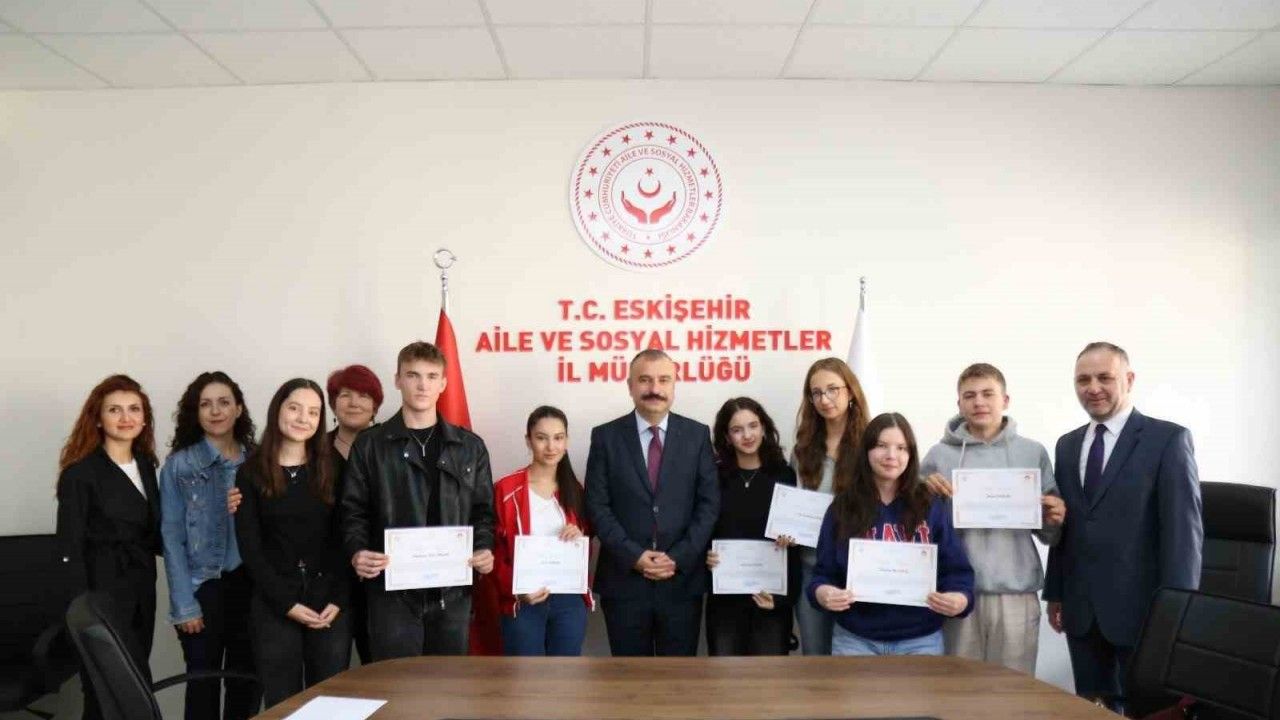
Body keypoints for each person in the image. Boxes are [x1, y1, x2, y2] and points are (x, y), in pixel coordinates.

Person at [1045, 342, 1203, 712]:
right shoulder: (1067, 445)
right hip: (1081, 609)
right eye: (1083, 380)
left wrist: (1176, 612)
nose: (1093, 388)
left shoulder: (1167, 440)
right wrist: (1055, 592)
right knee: (1091, 707)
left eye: (1104, 377)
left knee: (1150, 711)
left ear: (1129, 380)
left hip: (1144, 611)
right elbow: (1066, 527)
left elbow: (1184, 536)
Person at [340, 341, 496, 658]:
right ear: (398, 380)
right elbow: (352, 510)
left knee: (448, 682)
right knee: (397, 682)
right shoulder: (370, 445)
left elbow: (483, 512)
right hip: (391, 592)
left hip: (452, 591)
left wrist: (483, 547)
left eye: (431, 376)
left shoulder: (470, 447)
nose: (422, 385)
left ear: (443, 383)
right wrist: (358, 550)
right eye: (413, 375)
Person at [920, 363, 1065, 675]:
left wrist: (1054, 517)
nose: (979, 402)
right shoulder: (938, 456)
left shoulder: (1032, 452)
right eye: (969, 396)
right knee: (957, 686)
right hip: (956, 593)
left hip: (1015, 593)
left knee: (1012, 689)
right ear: (959, 404)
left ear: (1005, 400)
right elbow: (915, 529)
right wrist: (922, 493)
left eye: (988, 394)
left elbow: (1049, 535)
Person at [584, 349, 719, 657]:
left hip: (681, 581)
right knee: (630, 678)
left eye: (663, 380)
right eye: (645, 380)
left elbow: (708, 504)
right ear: (630, 385)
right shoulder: (605, 437)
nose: (654, 389)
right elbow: (597, 505)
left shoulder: (697, 435)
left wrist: (678, 557)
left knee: (678, 677)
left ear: (674, 384)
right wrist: (633, 555)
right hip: (624, 582)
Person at [809, 413, 974, 656]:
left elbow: (956, 571)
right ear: (866, 451)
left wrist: (960, 599)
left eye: (901, 448)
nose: (891, 455)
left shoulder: (930, 505)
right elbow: (822, 574)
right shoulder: (842, 507)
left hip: (921, 639)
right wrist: (823, 593)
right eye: (881, 446)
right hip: (855, 639)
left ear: (911, 454)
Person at [235, 379, 350, 707]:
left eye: (313, 412)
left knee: (329, 703)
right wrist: (286, 603)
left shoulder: (334, 466)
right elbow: (251, 548)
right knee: (283, 703)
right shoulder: (251, 472)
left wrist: (338, 598)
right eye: (295, 408)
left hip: (328, 604)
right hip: (275, 604)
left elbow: (346, 538)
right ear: (278, 410)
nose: (303, 418)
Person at [56, 374, 162, 720]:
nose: (125, 417)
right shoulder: (80, 474)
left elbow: (156, 533)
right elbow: (69, 548)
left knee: (134, 687)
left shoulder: (146, 466)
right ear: (98, 419)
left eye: (134, 409)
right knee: (104, 690)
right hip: (101, 595)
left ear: (144, 418)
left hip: (142, 588)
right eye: (114, 410)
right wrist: (81, 616)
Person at [160, 371, 259, 719]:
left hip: (251, 586)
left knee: (246, 682)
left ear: (238, 408)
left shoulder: (258, 461)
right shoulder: (179, 466)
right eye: (206, 404)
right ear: (196, 412)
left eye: (224, 402)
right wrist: (184, 605)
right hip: (203, 587)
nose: (215, 411)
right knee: (203, 684)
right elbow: (171, 537)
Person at [492, 406, 593, 656]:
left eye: (558, 438)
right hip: (524, 600)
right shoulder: (506, 489)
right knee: (525, 675)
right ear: (528, 440)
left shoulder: (577, 491)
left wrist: (578, 537)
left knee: (566, 674)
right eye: (541, 438)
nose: (551, 447)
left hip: (568, 600)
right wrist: (516, 589)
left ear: (566, 441)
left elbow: (588, 544)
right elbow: (493, 551)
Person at [703, 397, 799, 656]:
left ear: (764, 428)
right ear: (726, 437)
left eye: (753, 426)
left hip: (770, 598)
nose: (747, 435)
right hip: (725, 600)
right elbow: (701, 528)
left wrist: (791, 538)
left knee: (769, 678)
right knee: (724, 676)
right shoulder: (713, 477)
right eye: (737, 430)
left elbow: (795, 547)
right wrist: (705, 556)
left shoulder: (784, 475)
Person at [790, 357, 870, 655]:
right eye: (816, 393)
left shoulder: (872, 444)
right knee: (816, 658)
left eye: (832, 389)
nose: (825, 399)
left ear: (851, 392)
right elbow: (793, 505)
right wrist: (786, 532)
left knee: (857, 663)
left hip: (860, 571)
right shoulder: (802, 450)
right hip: (812, 569)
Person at [325, 364, 383, 665]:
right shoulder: (314, 450)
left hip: (377, 575)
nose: (354, 402)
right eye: (345, 395)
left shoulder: (389, 448)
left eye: (363, 395)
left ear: (375, 405)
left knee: (381, 670)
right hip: (329, 575)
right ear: (333, 403)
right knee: (331, 669)